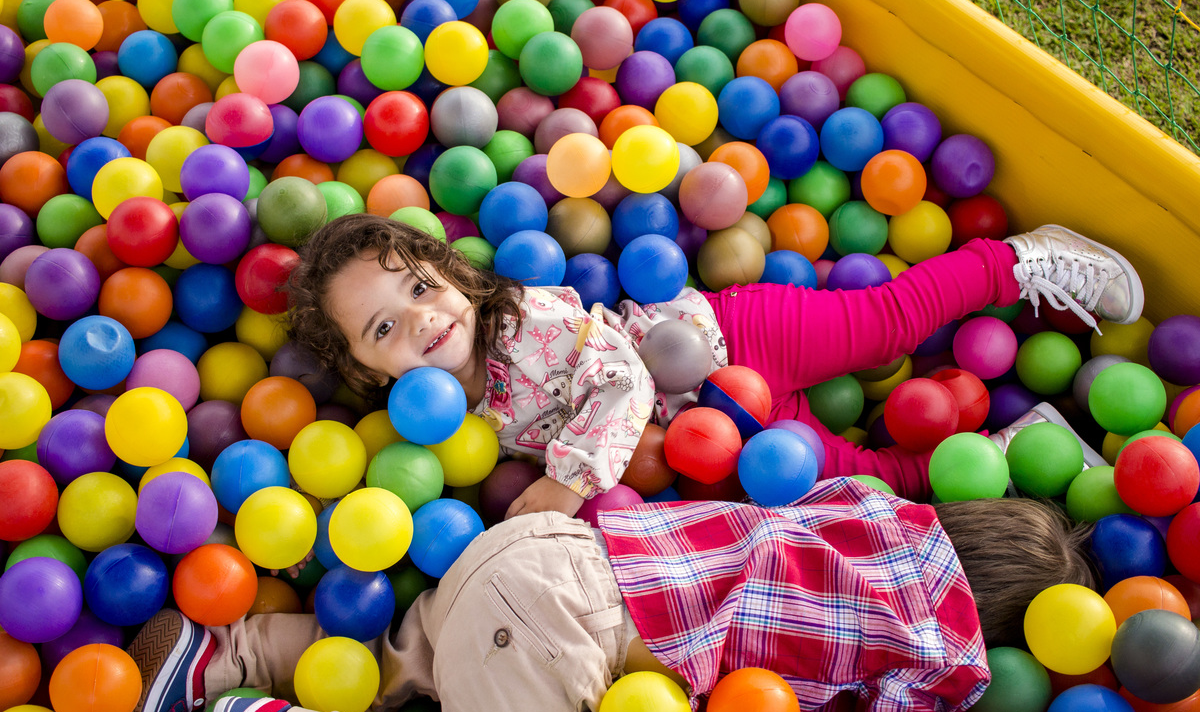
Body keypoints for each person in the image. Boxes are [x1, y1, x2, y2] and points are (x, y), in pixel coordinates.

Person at [86, 476, 1098, 712]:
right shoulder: (945, 643)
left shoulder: (869, 508)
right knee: (476, 680)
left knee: (419, 652)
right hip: (578, 636)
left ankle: (236, 646)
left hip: (559, 552)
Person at [285, 214, 1143, 510]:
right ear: (369, 370)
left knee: (885, 325)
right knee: (870, 482)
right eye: (384, 330)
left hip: (735, 342)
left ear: (457, 278)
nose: (421, 323)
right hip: (724, 442)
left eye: (420, 291)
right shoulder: (437, 419)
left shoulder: (525, 319)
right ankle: (1024, 448)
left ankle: (1019, 261)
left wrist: (572, 479)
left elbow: (620, 376)